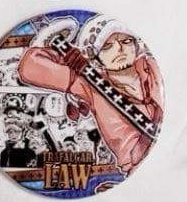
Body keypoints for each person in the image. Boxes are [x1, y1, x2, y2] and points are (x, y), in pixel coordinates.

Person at [17, 15, 163, 175]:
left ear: (136, 44)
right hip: (137, 168)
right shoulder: (90, 85)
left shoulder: (152, 68)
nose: (119, 49)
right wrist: (54, 50)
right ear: (95, 55)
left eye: (126, 41)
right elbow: (31, 69)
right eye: (107, 46)